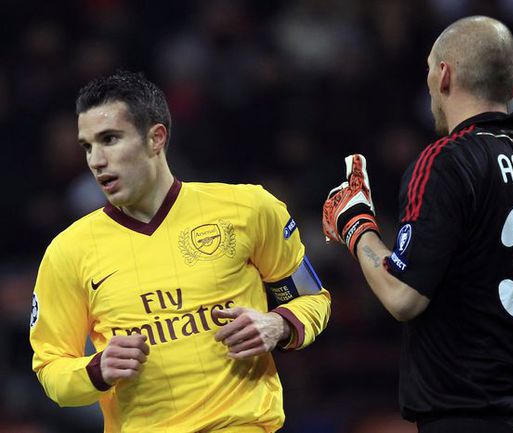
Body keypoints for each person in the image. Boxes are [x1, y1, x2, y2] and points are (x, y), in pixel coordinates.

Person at [322, 16, 513, 433]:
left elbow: (403, 297)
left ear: (444, 75)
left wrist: (356, 224)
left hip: (466, 419)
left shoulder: (446, 162)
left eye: (429, 70)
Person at [30, 70, 331, 433]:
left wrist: (278, 324)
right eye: (88, 146)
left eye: (110, 139)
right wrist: (96, 369)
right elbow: (51, 369)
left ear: (155, 138)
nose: (96, 160)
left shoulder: (249, 209)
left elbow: (313, 299)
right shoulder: (68, 252)